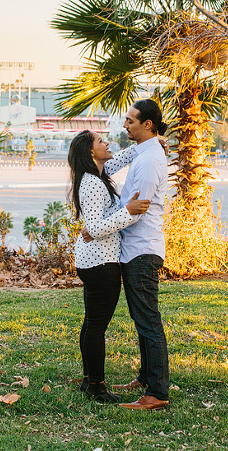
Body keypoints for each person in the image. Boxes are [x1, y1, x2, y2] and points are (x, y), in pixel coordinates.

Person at [83, 99, 173, 411]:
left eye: (131, 121)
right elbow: (107, 165)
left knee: (148, 320)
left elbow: (136, 211)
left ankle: (158, 392)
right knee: (141, 318)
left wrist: (96, 228)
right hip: (134, 248)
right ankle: (146, 377)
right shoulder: (143, 150)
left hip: (141, 249)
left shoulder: (149, 161)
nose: (125, 125)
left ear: (148, 124)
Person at [67, 130, 149, 404]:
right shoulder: (91, 183)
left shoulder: (98, 173)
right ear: (91, 152)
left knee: (92, 323)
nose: (107, 143)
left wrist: (148, 144)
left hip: (95, 259)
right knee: (96, 326)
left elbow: (120, 159)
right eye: (101, 141)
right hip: (99, 263)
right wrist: (130, 211)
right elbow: (95, 227)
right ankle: (97, 387)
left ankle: (90, 380)